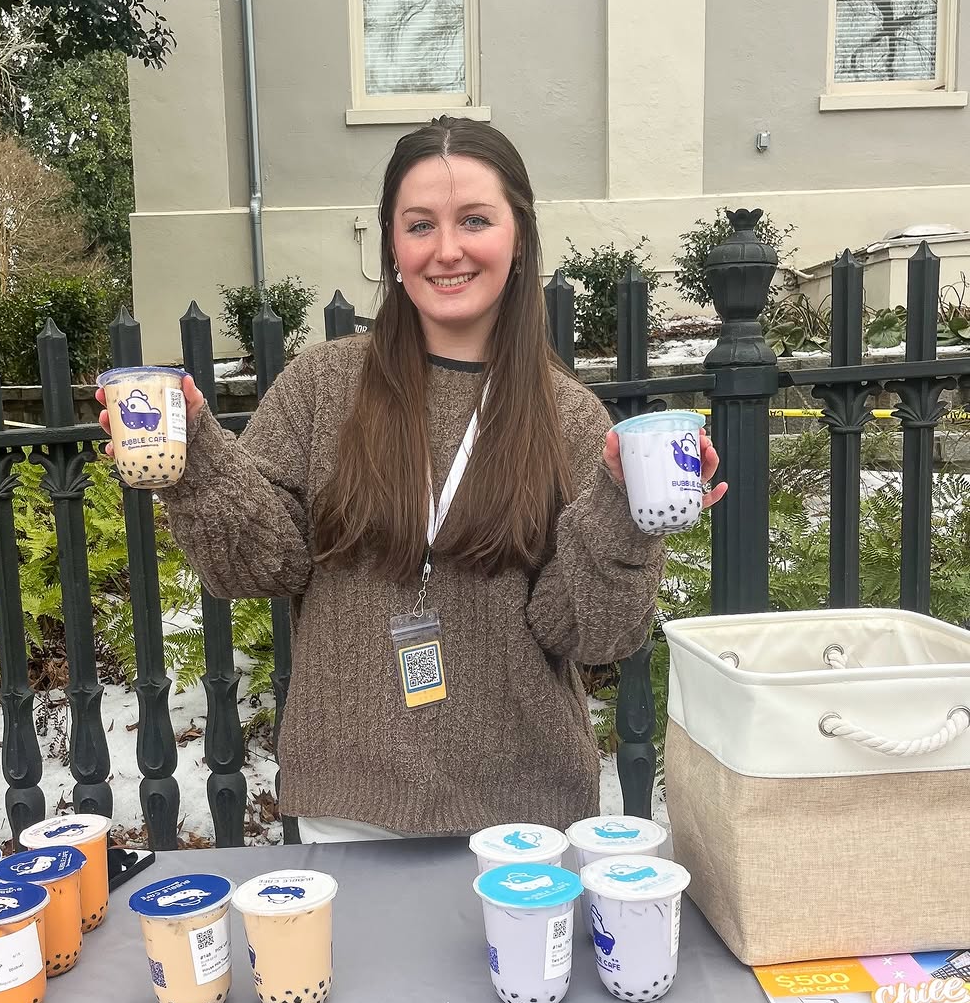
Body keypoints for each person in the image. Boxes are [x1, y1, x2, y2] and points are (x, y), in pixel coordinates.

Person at [97, 118, 726, 842]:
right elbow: (260, 567)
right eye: (420, 224)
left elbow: (592, 635)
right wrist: (197, 462)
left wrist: (626, 517)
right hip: (350, 805)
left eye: (475, 220)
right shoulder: (322, 385)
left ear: (519, 238)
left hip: (526, 814)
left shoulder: (569, 417)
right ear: (392, 246)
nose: (447, 249)